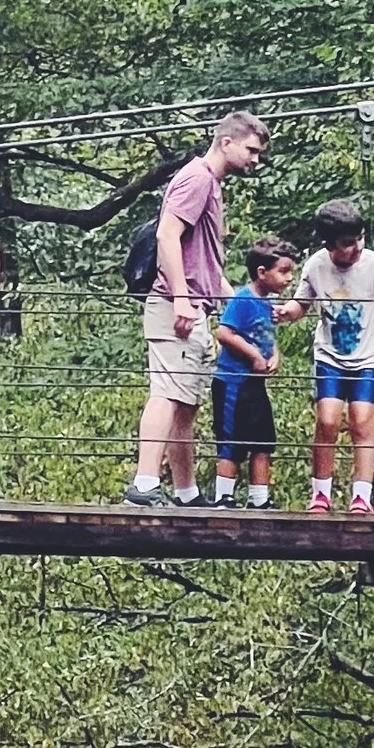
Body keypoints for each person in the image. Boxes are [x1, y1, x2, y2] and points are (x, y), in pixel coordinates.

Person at [126, 110, 269, 507]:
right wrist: (182, 298)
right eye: (251, 150)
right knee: (166, 394)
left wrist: (240, 303)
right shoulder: (197, 178)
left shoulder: (211, 183)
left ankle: (185, 491)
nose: (255, 159)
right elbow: (167, 233)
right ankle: (144, 484)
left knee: (185, 402)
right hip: (176, 305)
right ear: (227, 142)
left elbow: (201, 259)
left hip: (194, 304)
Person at [285, 197, 374, 515]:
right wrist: (287, 312)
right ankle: (320, 494)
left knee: (362, 420)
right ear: (329, 244)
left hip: (367, 356)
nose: (356, 248)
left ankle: (361, 496)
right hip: (330, 356)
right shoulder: (316, 266)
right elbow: (302, 303)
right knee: (327, 420)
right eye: (348, 243)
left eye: (359, 240)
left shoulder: (373, 264)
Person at [211, 234, 298, 508]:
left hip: (254, 385)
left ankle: (259, 498)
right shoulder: (244, 299)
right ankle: (223, 497)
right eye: (283, 272)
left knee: (263, 439)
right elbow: (224, 333)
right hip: (233, 383)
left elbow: (265, 335)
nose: (288, 279)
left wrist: (274, 355)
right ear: (262, 272)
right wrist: (253, 355)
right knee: (231, 438)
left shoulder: (267, 304)